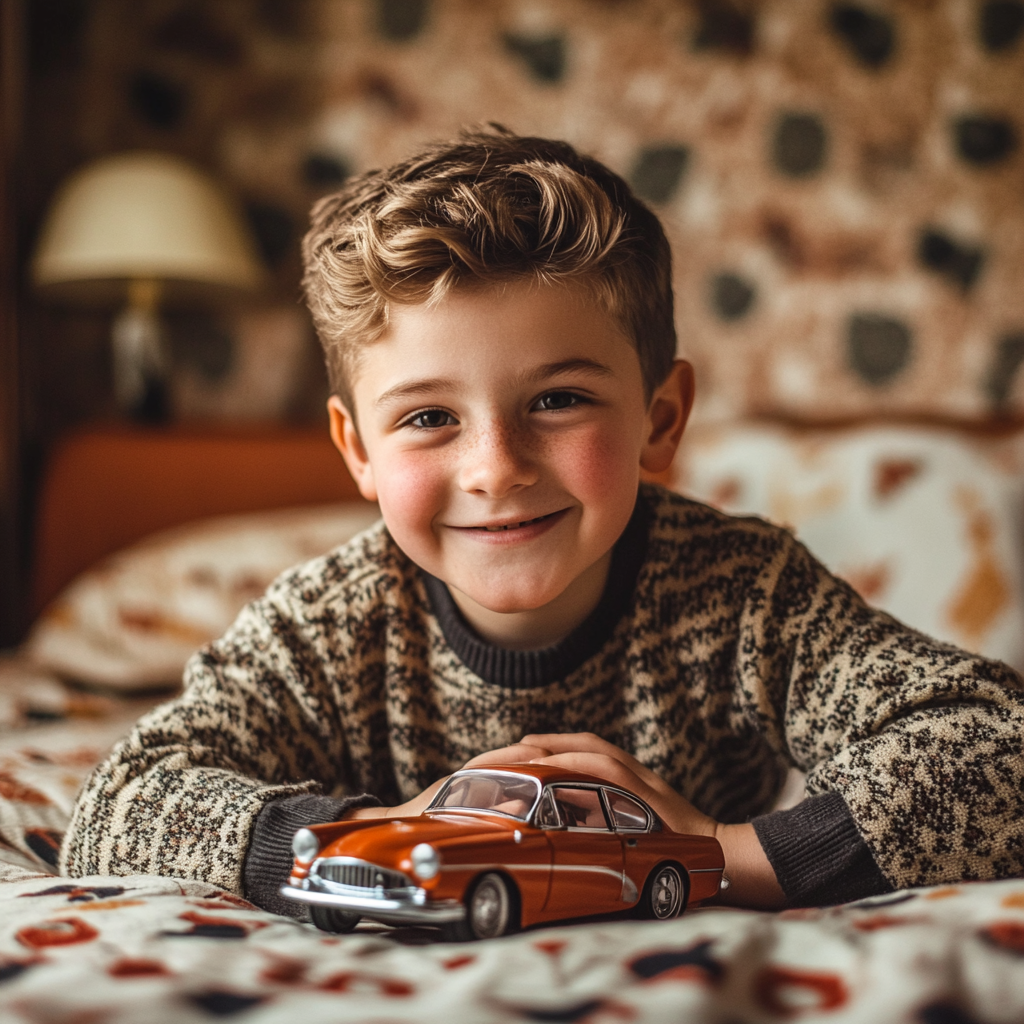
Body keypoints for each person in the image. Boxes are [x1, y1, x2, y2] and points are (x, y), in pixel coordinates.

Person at [60, 127, 1024, 917]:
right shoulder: (328, 629)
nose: (496, 470)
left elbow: (994, 743)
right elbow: (122, 802)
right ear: (357, 452)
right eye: (429, 418)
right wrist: (388, 844)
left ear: (660, 420)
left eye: (558, 401)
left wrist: (722, 858)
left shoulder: (743, 593)